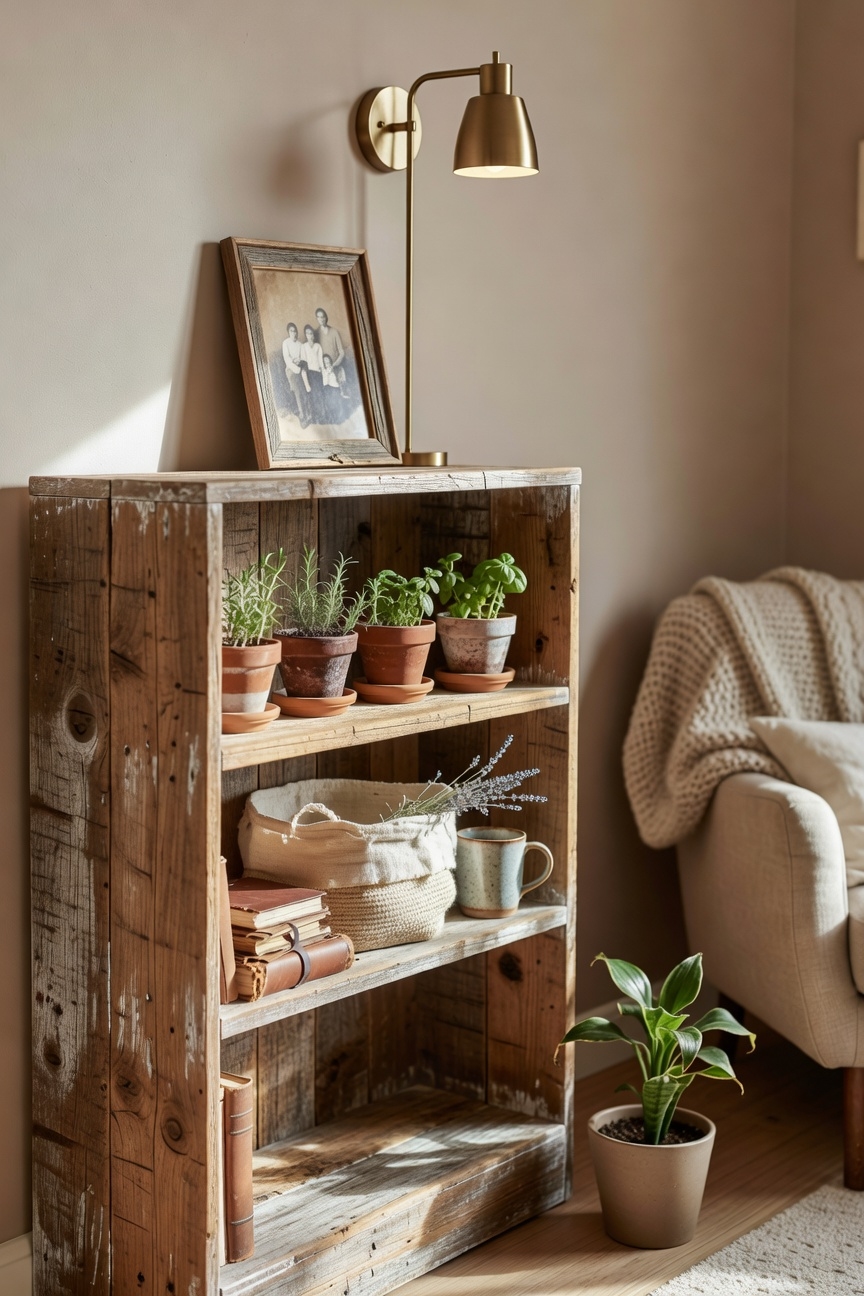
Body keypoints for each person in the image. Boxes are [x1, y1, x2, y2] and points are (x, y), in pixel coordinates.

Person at [314, 308, 350, 399]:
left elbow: (341, 352)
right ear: (317, 319)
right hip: (324, 368)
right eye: (319, 317)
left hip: (335, 364)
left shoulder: (334, 332)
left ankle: (342, 394)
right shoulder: (316, 334)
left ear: (326, 317)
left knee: (340, 379)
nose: (321, 319)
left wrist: (334, 364)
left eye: (323, 316)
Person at [282, 322, 311, 427]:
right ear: (288, 332)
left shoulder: (300, 344)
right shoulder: (285, 343)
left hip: (300, 368)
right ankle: (302, 415)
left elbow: (303, 358)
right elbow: (287, 360)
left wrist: (299, 362)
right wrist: (297, 369)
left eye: (295, 331)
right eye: (291, 331)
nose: (293, 333)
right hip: (291, 370)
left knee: (305, 387)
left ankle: (308, 413)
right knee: (297, 390)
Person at [301, 324, 325, 424]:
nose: (309, 335)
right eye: (307, 333)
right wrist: (306, 380)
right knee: (311, 395)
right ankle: (314, 417)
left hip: (317, 374)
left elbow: (321, 362)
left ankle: (322, 417)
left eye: (310, 333)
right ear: (305, 335)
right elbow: (304, 363)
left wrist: (323, 374)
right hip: (309, 374)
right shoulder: (304, 347)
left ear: (313, 335)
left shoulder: (317, 346)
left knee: (319, 395)